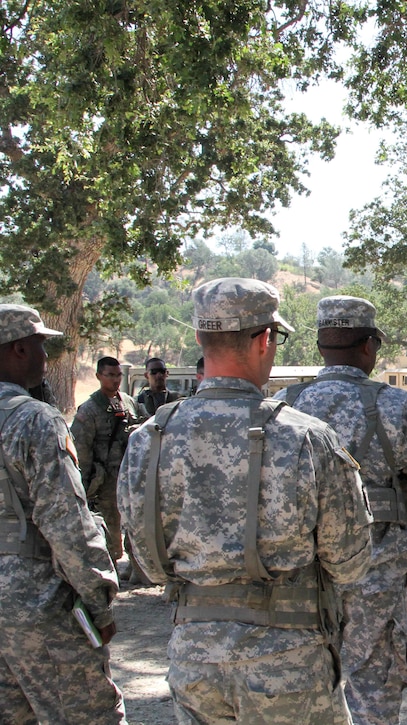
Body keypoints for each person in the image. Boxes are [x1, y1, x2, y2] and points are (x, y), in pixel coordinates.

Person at [117, 277, 372, 723]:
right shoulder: (305, 437)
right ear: (265, 338)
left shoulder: (149, 439)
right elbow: (349, 561)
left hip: (195, 663)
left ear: (200, 337)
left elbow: (151, 564)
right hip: (289, 663)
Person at [277, 295, 407, 724]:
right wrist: (399, 543)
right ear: (369, 347)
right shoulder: (397, 405)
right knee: (373, 693)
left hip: (299, 584)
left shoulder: (281, 407)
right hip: (377, 577)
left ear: (320, 346)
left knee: (303, 694)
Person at [0, 304, 126, 722]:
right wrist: (99, 602)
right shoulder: (33, 419)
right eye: (39, 346)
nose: (45, 357)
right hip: (36, 604)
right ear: (18, 349)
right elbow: (66, 522)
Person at [71, 356, 143, 564]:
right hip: (104, 480)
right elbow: (81, 449)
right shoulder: (90, 409)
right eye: (110, 375)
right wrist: (83, 484)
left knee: (134, 521)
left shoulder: (128, 402)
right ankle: (110, 564)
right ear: (98, 376)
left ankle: (137, 565)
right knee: (110, 526)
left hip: (128, 475)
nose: (115, 380)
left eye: (118, 375)